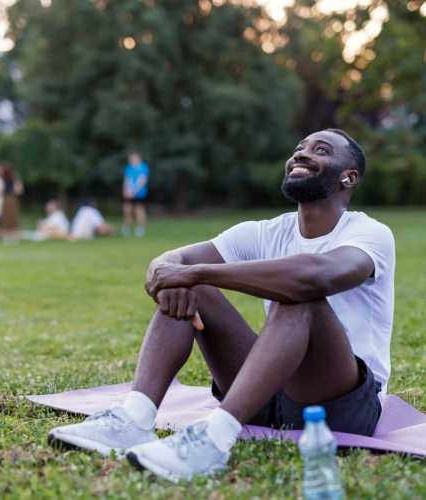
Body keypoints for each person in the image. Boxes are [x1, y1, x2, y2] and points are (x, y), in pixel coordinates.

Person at [48, 129, 395, 482]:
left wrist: (194, 272)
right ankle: (134, 419)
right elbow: (170, 261)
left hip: (340, 403)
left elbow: (315, 277)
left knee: (298, 299)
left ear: (348, 177)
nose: (301, 155)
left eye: (320, 150)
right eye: (298, 149)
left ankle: (214, 439)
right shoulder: (265, 232)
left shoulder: (370, 233)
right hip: (267, 398)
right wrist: (171, 276)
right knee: (192, 287)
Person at [122, 152, 150, 237]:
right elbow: (127, 180)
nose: (132, 160)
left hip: (139, 193)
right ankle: (127, 227)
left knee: (139, 210)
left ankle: (140, 228)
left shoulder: (143, 167)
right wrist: (125, 190)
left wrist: (134, 191)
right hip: (128, 192)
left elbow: (142, 181)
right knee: (127, 209)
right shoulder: (129, 168)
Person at [0, 165, 24, 241]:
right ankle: (12, 237)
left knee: (8, 219)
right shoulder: (14, 178)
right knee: (11, 219)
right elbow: (19, 190)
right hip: (11, 199)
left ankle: (8, 237)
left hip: (8, 198)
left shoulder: (4, 178)